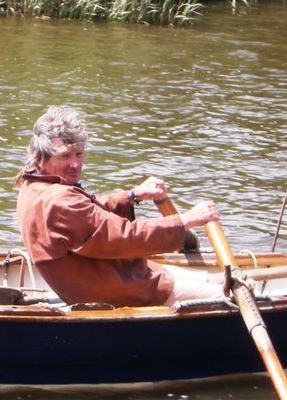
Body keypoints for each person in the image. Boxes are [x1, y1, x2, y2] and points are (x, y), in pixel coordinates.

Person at [14, 105, 224, 309]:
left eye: (79, 154)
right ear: (41, 158)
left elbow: (86, 217)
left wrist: (131, 196)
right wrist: (185, 221)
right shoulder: (59, 200)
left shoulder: (34, 185)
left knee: (217, 279)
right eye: (65, 156)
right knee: (225, 294)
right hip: (117, 290)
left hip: (112, 276)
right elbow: (125, 236)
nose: (75, 165)